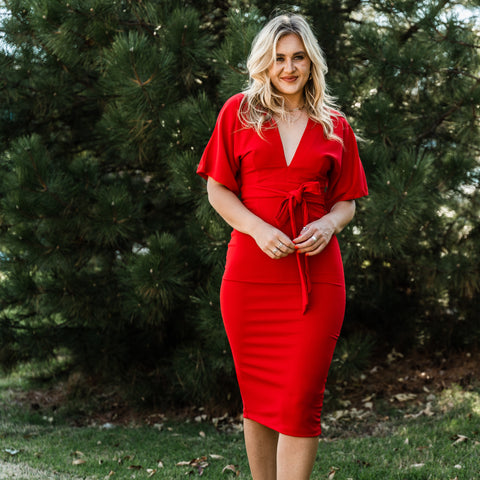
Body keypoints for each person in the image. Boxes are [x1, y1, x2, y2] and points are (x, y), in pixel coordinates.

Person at [197, 13, 368, 480]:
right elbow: (218, 190)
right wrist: (258, 229)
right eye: (278, 58)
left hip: (316, 279)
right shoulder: (238, 112)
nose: (288, 67)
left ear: (311, 63)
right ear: (264, 64)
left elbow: (347, 202)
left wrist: (329, 224)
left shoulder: (335, 125)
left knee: (300, 400)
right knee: (258, 401)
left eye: (297, 57)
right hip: (251, 277)